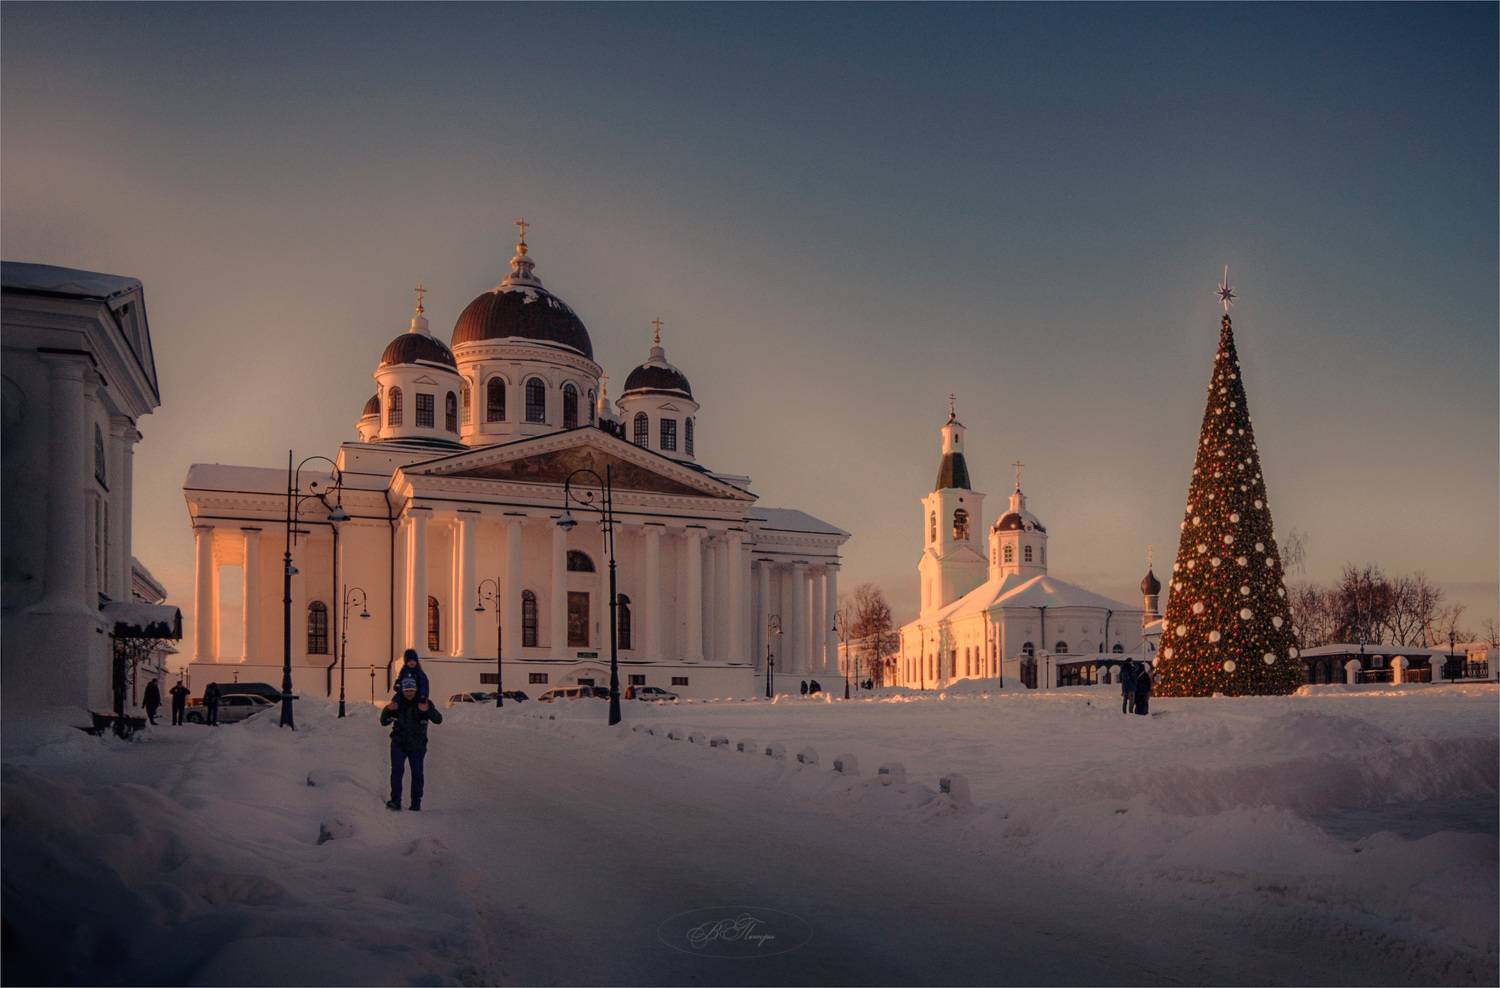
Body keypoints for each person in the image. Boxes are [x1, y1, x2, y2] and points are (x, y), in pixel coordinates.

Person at [382, 675, 443, 811]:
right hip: (399, 744)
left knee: (417, 773)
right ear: (402, 691)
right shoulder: (397, 703)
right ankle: (395, 800)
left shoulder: (424, 702)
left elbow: (438, 719)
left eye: (411, 690)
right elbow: (383, 722)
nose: (409, 693)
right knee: (397, 771)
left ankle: (416, 803)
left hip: (417, 745)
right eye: (406, 690)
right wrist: (387, 710)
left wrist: (428, 710)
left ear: (415, 690)